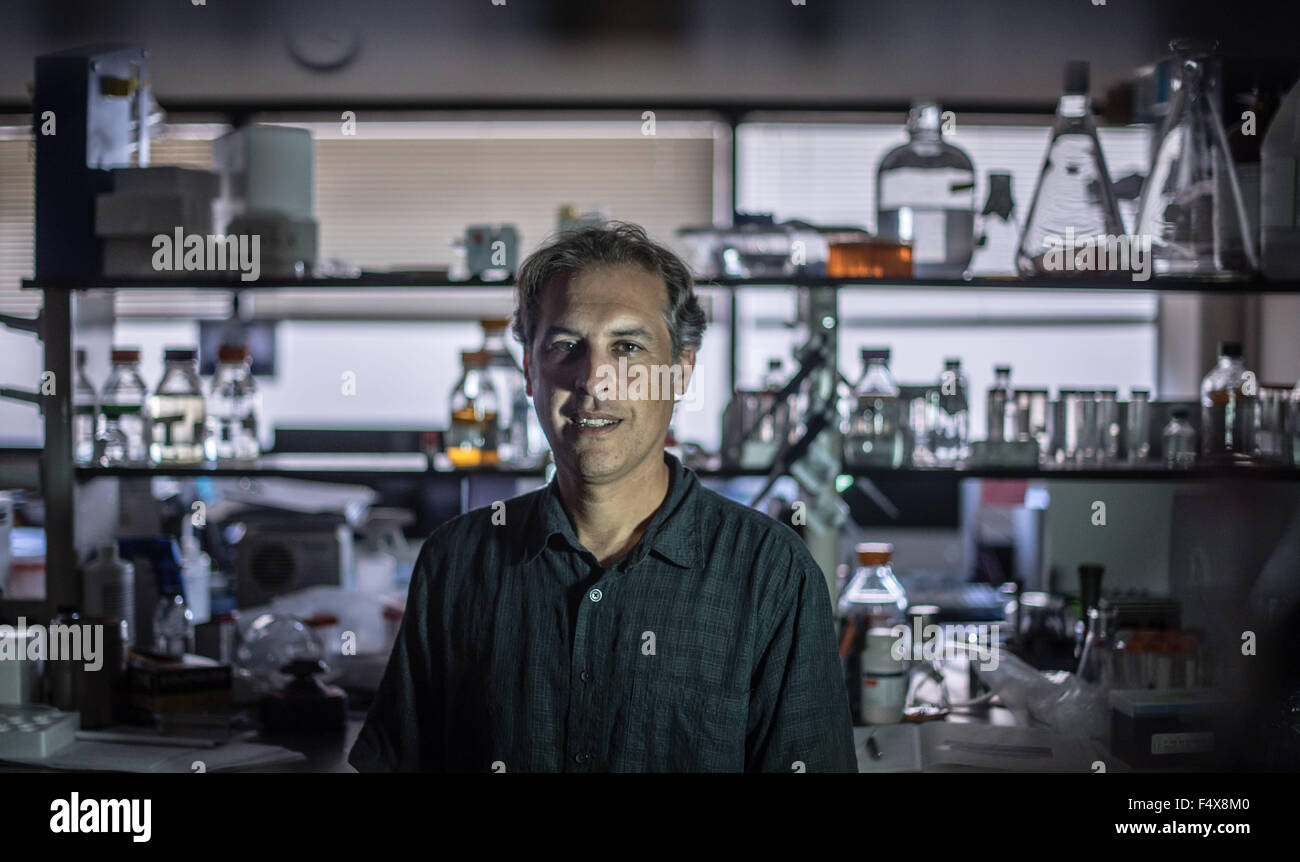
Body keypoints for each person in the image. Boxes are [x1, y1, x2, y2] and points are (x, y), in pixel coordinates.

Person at [349, 221, 856, 772]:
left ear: (679, 372)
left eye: (628, 347)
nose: (595, 380)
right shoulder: (455, 562)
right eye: (566, 346)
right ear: (528, 369)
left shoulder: (773, 575)